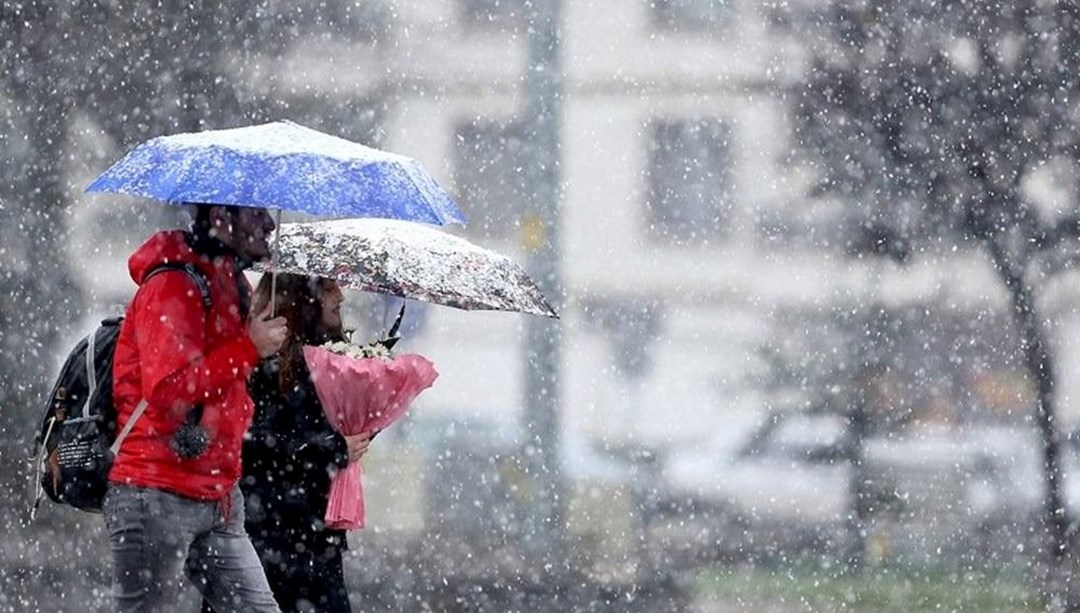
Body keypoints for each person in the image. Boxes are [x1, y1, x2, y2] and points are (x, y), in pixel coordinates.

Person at [105, 203, 287, 612]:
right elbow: (169, 390)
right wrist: (248, 347)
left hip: (219, 496)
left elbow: (228, 386)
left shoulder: (230, 282)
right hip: (156, 493)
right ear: (221, 215)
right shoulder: (171, 284)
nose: (269, 224)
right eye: (256, 214)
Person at [201, 272, 372, 613]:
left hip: (311, 535)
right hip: (265, 533)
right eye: (328, 286)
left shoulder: (329, 361)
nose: (339, 294)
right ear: (303, 297)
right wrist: (333, 449)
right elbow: (252, 441)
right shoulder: (258, 362)